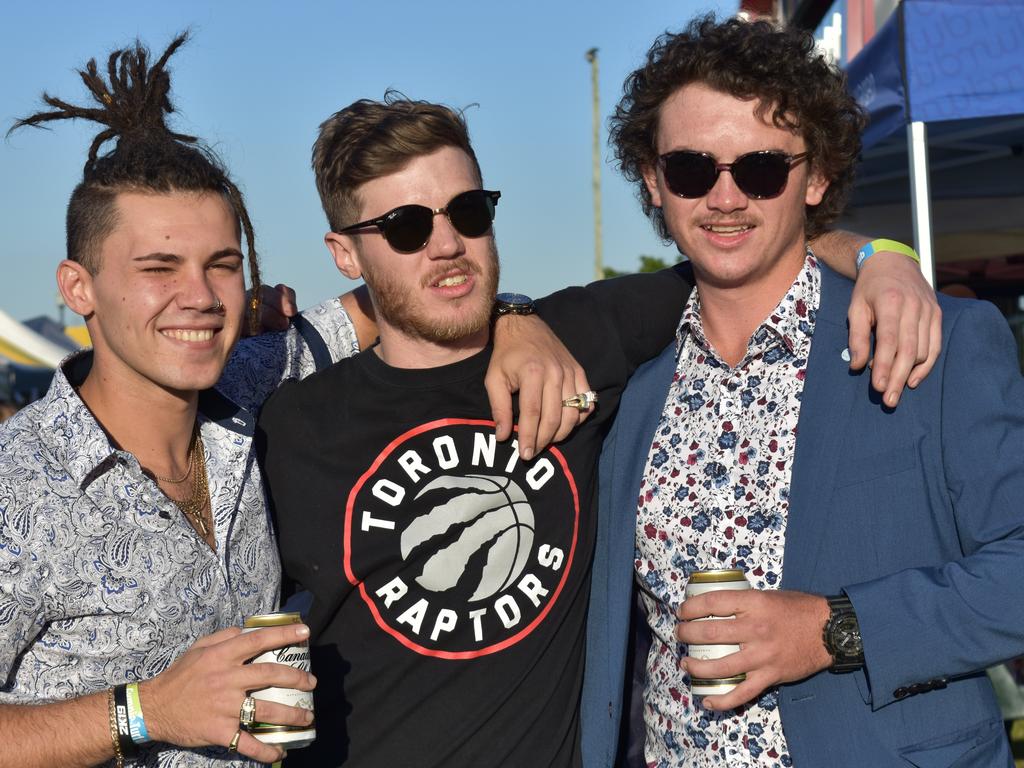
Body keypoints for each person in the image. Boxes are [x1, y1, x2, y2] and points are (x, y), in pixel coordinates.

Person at [256, 94, 940, 767]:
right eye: (406, 226)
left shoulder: (585, 334)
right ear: (344, 254)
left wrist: (885, 257)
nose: (447, 245)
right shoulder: (291, 429)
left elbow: (758, 244)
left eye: (468, 212)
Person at [0, 36, 589, 768]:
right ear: (77, 287)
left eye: (220, 266)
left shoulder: (253, 381)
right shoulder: (17, 483)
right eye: (159, 268)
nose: (198, 297)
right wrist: (143, 712)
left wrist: (516, 320)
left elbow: (404, 291)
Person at [583, 16, 1024, 768]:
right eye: (692, 168)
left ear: (815, 178)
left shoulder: (935, 343)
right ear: (655, 183)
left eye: (760, 168)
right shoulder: (629, 385)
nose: (725, 197)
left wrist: (832, 630)